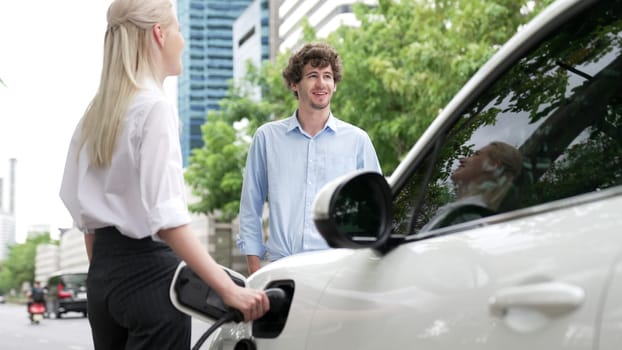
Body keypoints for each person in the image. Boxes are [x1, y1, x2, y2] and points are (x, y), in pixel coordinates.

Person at [59, 1, 268, 349]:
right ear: (159, 34)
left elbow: (87, 222)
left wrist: (111, 277)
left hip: (103, 282)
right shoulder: (154, 107)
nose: (182, 40)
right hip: (151, 281)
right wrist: (229, 289)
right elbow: (167, 220)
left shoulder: (92, 118)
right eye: (178, 30)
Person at [237, 42, 382, 275]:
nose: (321, 83)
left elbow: (376, 209)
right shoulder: (267, 137)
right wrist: (255, 269)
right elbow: (250, 207)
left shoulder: (357, 141)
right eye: (313, 75)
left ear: (334, 85)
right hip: (282, 268)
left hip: (338, 269)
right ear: (295, 84)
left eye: (327, 76)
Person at [422, 141, 523, 231]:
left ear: (492, 166)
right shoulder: (469, 214)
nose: (462, 159)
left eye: (476, 154)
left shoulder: (466, 217)